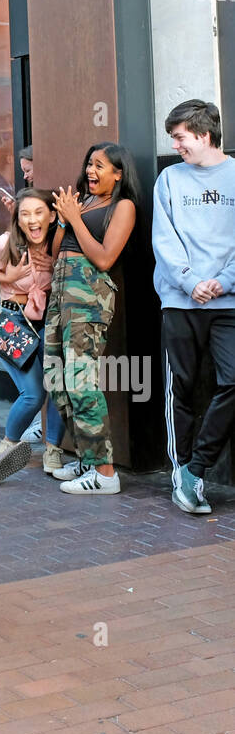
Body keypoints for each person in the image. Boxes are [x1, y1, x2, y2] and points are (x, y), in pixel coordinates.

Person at [152, 100, 235, 514]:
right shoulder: (169, 179)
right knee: (180, 388)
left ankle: (196, 469)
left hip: (229, 302)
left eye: (180, 137)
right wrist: (189, 281)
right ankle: (181, 470)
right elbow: (163, 239)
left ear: (203, 135)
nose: (176, 144)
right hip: (181, 300)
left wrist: (223, 281)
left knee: (233, 380)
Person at [45, 143, 139, 495]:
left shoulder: (122, 206)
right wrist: (63, 220)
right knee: (56, 379)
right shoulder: (80, 203)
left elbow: (103, 258)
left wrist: (76, 219)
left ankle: (105, 472)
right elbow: (56, 252)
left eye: (99, 165)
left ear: (118, 173)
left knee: (81, 380)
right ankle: (87, 458)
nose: (90, 170)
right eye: (88, 163)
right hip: (60, 295)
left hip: (88, 300)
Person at [0, 188, 67, 473]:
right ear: (17, 220)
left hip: (47, 320)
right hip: (11, 320)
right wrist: (9, 276)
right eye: (25, 214)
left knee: (56, 386)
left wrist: (53, 264)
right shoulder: (6, 244)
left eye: (39, 212)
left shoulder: (59, 246)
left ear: (52, 215)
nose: (32, 220)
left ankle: (53, 450)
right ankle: (6, 447)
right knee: (32, 393)